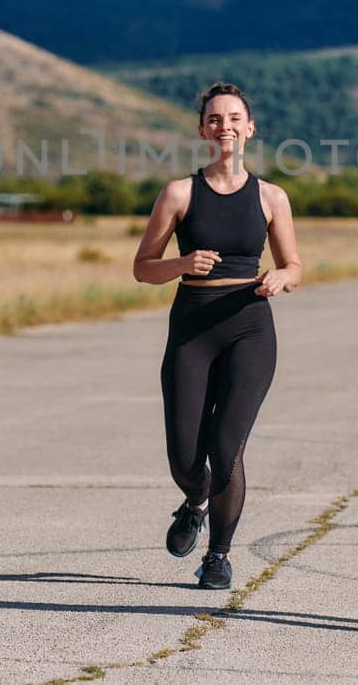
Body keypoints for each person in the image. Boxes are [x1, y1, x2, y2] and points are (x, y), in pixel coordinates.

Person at [132, 83, 302, 590]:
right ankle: (196, 499)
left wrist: (280, 276)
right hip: (192, 326)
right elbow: (142, 268)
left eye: (234, 118)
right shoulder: (179, 193)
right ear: (202, 129)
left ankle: (219, 556)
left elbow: (295, 265)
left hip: (250, 326)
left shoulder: (272, 197)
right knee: (186, 457)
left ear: (249, 128)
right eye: (214, 119)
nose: (224, 126)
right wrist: (183, 263)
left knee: (227, 449)